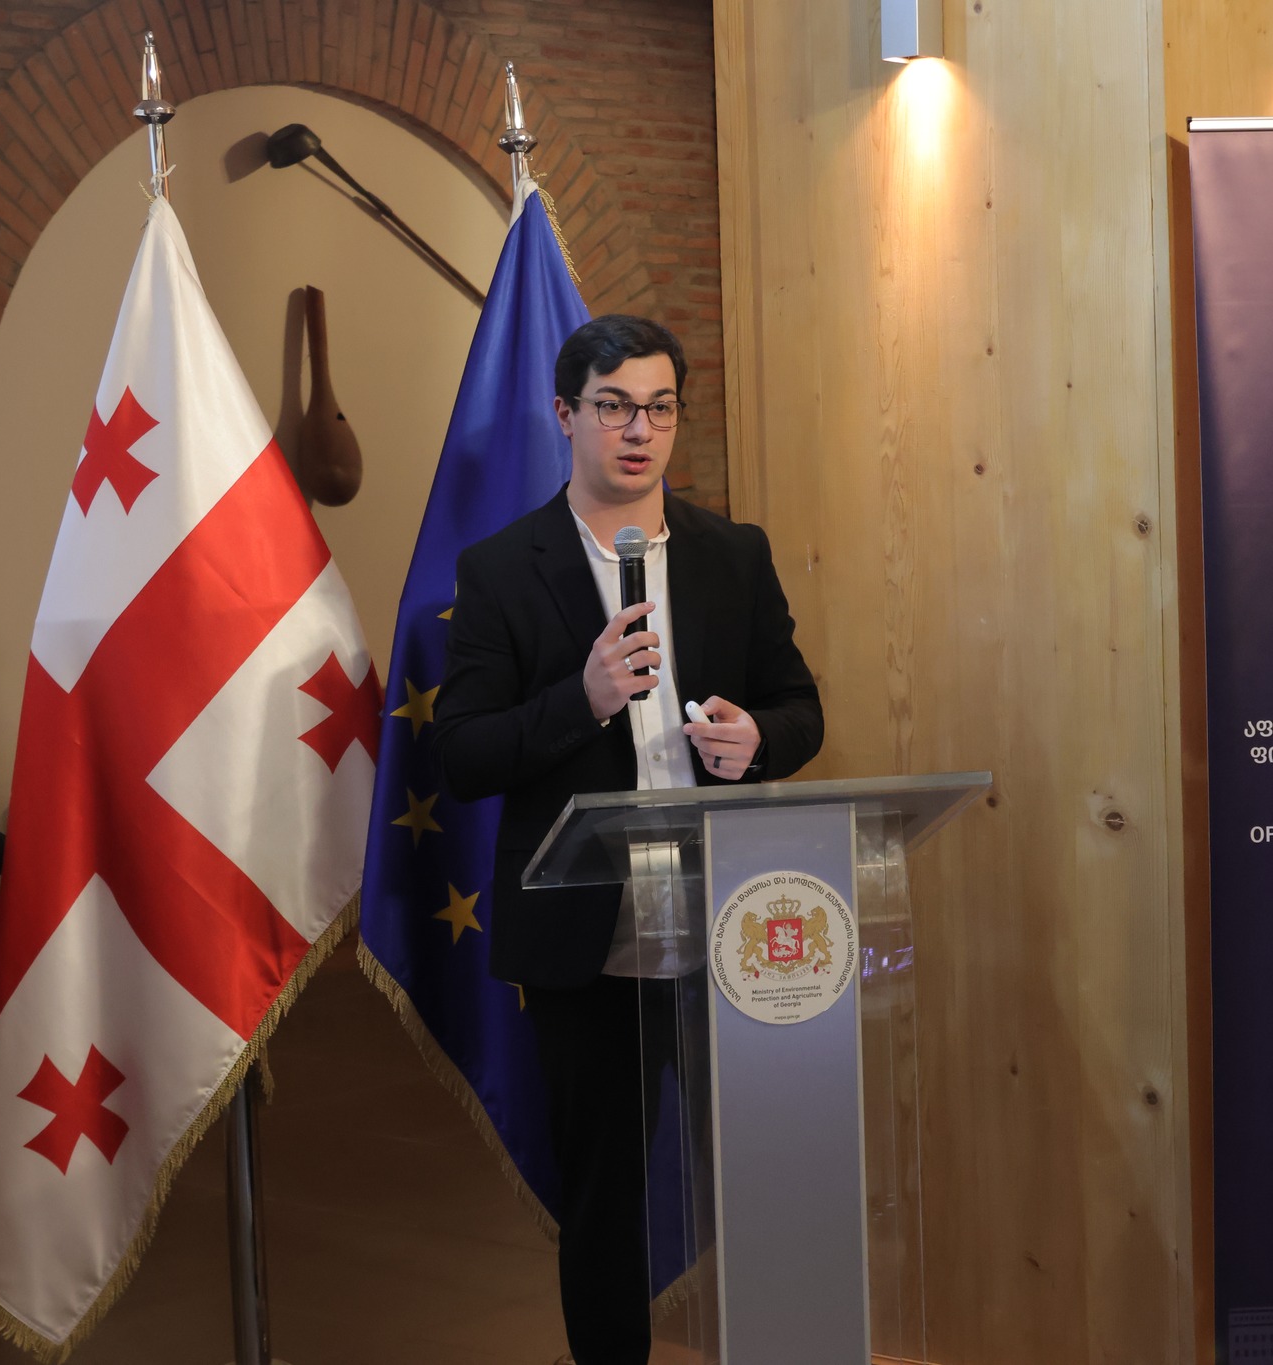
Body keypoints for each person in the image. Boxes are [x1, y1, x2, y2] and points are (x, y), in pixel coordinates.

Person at [428, 314, 824, 1364]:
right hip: (585, 929)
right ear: (566, 415)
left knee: (761, 1165)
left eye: (658, 407)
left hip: (732, 913)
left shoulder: (732, 554)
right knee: (606, 1188)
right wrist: (584, 698)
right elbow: (462, 753)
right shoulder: (502, 569)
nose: (638, 431)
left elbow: (800, 708)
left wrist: (757, 739)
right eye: (613, 407)